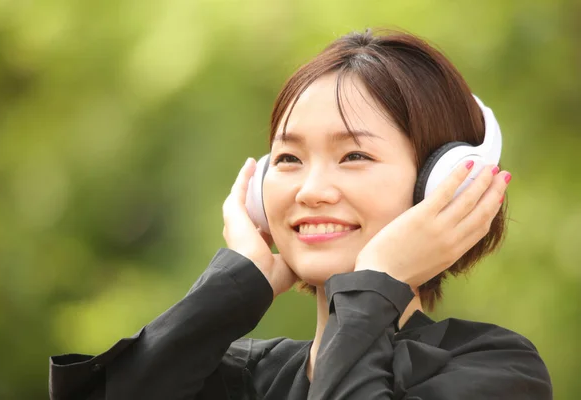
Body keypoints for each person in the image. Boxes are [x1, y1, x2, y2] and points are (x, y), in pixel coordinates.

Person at [49, 29, 552, 399]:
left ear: (442, 185)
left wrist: (380, 280)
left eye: (354, 155)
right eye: (289, 159)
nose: (310, 191)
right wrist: (235, 288)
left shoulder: (497, 369)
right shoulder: (234, 375)